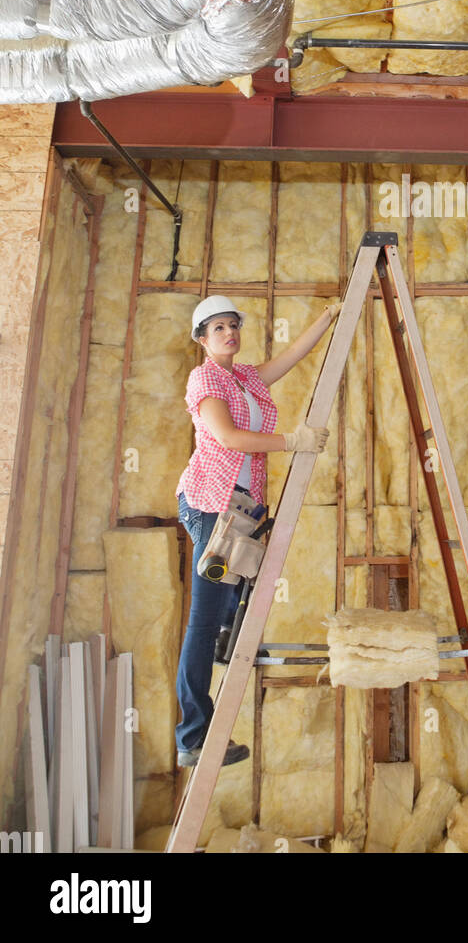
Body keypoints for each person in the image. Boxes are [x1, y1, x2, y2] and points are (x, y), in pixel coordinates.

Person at [175, 293, 340, 769]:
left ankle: (229, 642)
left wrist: (327, 316)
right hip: (211, 505)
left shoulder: (244, 377)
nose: (229, 333)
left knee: (228, 606)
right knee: (204, 619)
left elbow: (290, 357)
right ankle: (192, 736)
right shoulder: (204, 378)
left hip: (243, 508)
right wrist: (292, 442)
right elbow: (228, 438)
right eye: (218, 328)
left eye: (233, 325)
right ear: (203, 340)